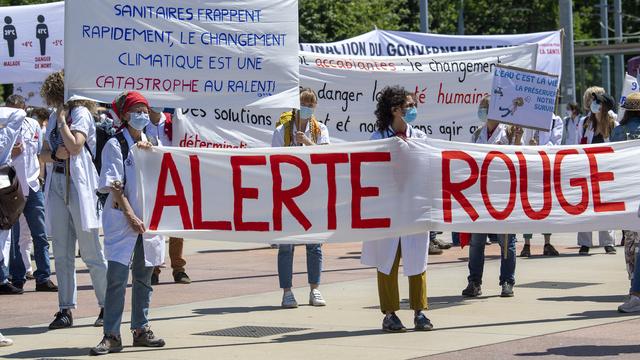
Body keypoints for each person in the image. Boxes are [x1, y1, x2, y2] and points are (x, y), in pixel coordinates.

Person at [90, 91, 166, 355]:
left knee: (144, 278)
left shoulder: (149, 141)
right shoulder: (115, 144)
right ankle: (111, 334)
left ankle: (141, 329)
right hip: (124, 220)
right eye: (137, 110)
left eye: (145, 111)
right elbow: (114, 185)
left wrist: (153, 150)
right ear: (124, 115)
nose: (142, 115)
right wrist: (131, 215)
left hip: (147, 222)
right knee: (117, 279)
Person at [361, 85, 433, 332]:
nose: (413, 109)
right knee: (387, 261)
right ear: (395, 110)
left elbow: (429, 169)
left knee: (417, 260)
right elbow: (371, 173)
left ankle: (420, 312)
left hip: (414, 209)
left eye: (413, 105)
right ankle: (390, 313)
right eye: (409, 106)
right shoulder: (378, 139)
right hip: (388, 210)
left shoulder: (420, 137)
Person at [40, 70, 108, 329]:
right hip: (57, 180)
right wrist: (55, 156)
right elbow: (45, 154)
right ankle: (65, 308)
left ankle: (105, 305)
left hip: (79, 183)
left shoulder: (80, 114)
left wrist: (62, 123)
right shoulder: (51, 116)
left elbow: (76, 146)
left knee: (91, 249)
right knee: (61, 249)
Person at [271, 88, 328, 309]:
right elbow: (273, 160)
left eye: (311, 104)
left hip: (312, 193)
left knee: (314, 244)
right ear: (296, 104)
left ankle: (315, 288)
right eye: (304, 103)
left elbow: (326, 155)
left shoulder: (320, 129)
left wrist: (307, 143)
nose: (308, 107)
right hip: (287, 194)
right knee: (287, 245)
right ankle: (287, 292)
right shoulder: (281, 130)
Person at [463, 95, 517, 298]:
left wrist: (520, 141)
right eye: (481, 107)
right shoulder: (477, 133)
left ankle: (507, 281)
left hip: (502, 193)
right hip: (480, 193)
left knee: (507, 241)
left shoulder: (511, 132)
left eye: (486, 107)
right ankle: (474, 282)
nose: (482, 110)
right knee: (476, 241)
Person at [6, 95, 57, 292]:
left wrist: (41, 178)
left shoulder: (33, 125)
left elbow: (39, 155)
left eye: (18, 109)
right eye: (11, 109)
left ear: (24, 108)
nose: (15, 113)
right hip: (12, 187)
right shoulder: (3, 128)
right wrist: (11, 153)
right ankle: (17, 277)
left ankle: (43, 277)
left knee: (40, 234)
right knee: (16, 237)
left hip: (34, 186)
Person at [147, 107, 190, 285]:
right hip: (151, 179)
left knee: (177, 225)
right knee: (153, 225)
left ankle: (178, 269)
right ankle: (153, 269)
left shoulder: (175, 122)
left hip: (174, 177)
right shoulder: (142, 125)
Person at [576, 90, 618, 255]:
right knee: (584, 204)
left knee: (606, 205)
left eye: (598, 102)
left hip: (607, 170)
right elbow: (576, 144)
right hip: (586, 169)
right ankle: (585, 242)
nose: (595, 105)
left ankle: (608, 242)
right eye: (594, 102)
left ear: (605, 106)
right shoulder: (584, 122)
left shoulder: (613, 124)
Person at [610, 92, 640, 312]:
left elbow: (611, 162)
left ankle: (634, 285)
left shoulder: (619, 132)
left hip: (627, 194)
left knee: (630, 242)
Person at [519, 114, 563, 257]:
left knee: (546, 205)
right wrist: (529, 146)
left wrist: (539, 147)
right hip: (529, 166)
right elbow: (521, 142)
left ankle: (547, 242)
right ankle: (527, 243)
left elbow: (555, 143)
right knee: (528, 204)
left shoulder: (556, 121)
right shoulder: (527, 118)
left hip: (545, 167)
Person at [0, 107, 27, 296]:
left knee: (5, 229)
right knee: (5, 229)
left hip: (2, 177)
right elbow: (19, 114)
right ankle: (2, 277)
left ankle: (2, 277)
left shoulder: (5, 135)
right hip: (2, 177)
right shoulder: (6, 134)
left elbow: (20, 113)